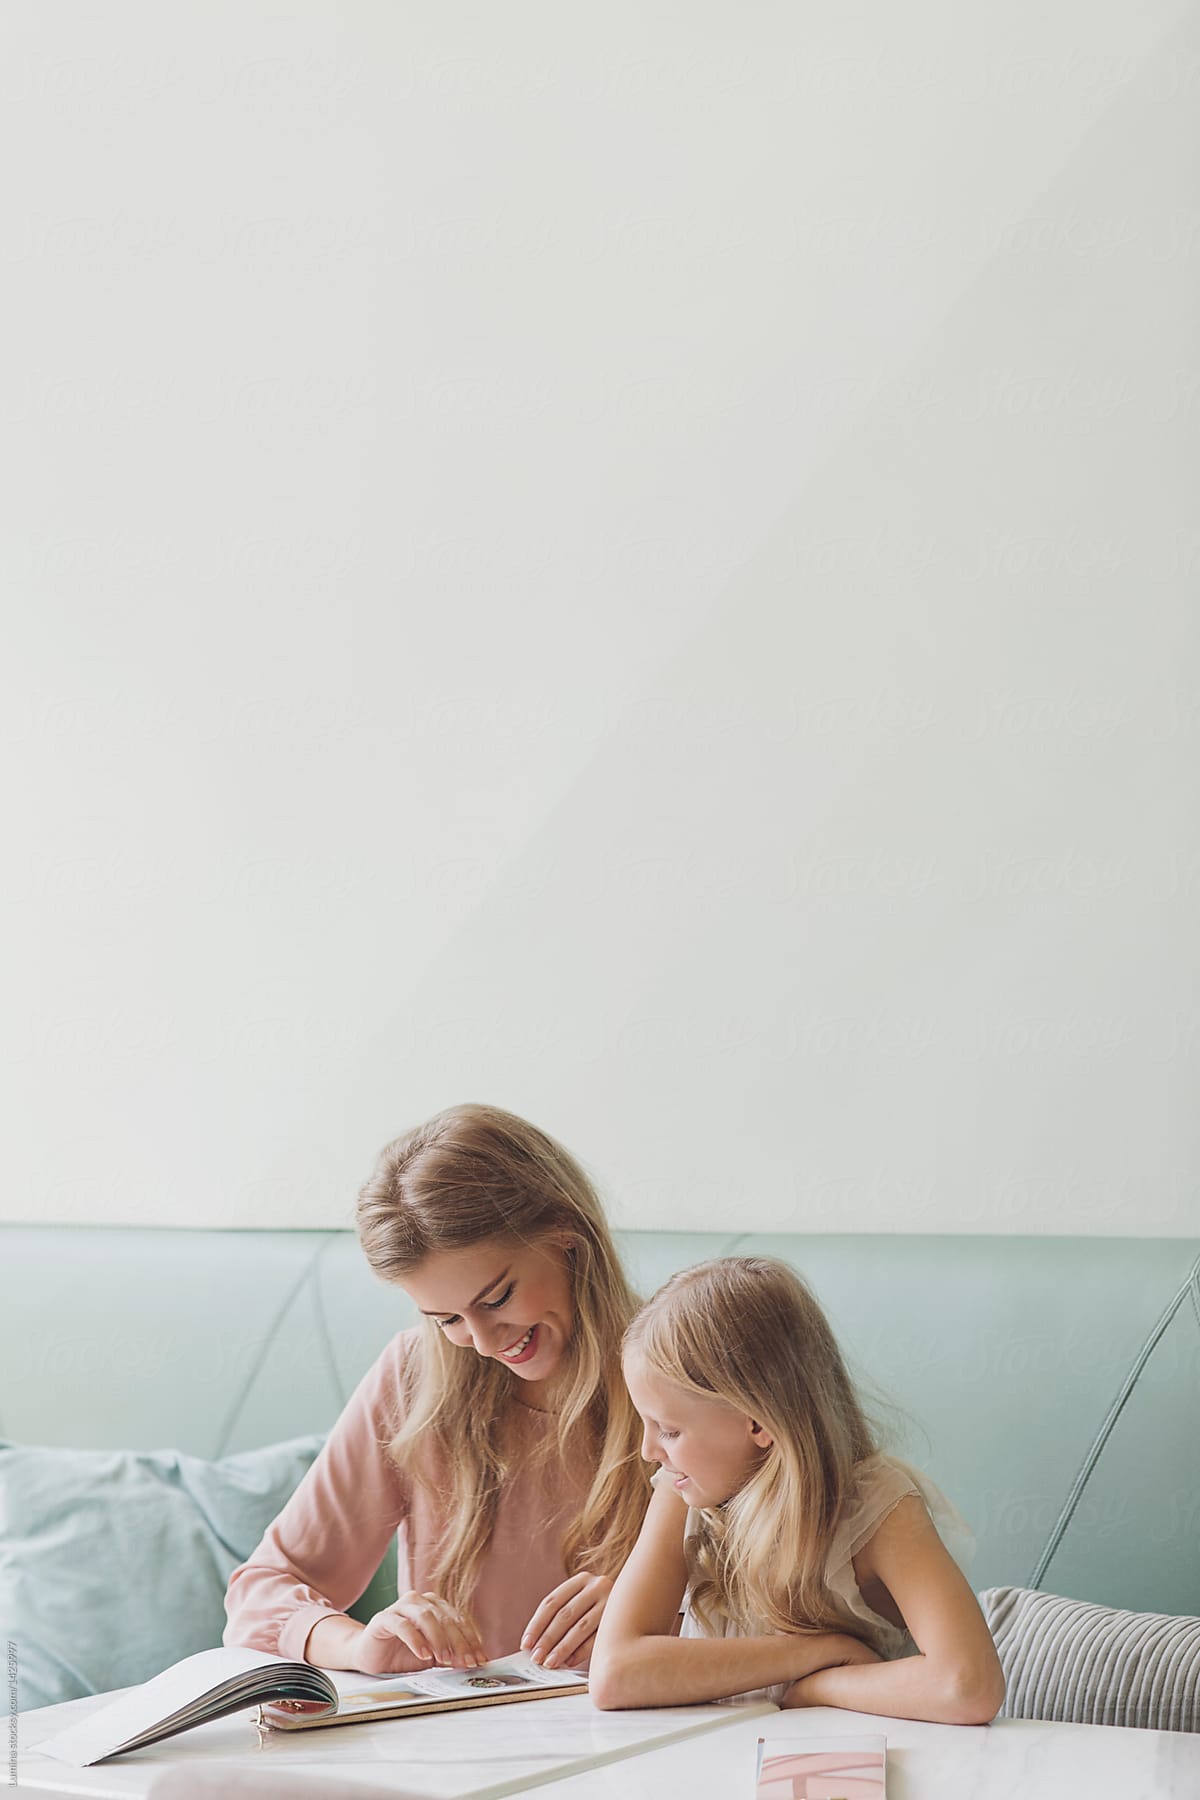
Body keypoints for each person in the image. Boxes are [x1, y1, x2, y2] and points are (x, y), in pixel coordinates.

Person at [224, 1104, 649, 1675]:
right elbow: (262, 1592)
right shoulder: (414, 1378)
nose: (481, 1341)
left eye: (496, 1299)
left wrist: (660, 1600)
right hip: (456, 1751)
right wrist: (357, 1646)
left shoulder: (688, 1369)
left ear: (567, 1240)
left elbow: (783, 1596)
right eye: (445, 1318)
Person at [590, 1257, 1005, 1724]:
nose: (648, 1451)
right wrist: (819, 1652)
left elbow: (969, 1686)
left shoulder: (877, 1508)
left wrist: (821, 1686)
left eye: (668, 1430)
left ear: (757, 1423)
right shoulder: (680, 1494)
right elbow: (614, 1674)